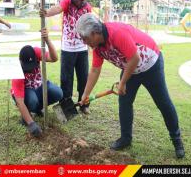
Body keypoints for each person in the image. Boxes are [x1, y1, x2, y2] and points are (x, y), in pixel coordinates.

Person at [76, 13, 185, 159]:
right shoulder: (97, 48)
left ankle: (177, 141)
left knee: (163, 103)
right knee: (125, 103)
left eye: (85, 38)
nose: (84, 42)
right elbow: (95, 70)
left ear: (95, 33)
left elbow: (135, 58)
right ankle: (125, 138)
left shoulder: (117, 33)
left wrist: (122, 83)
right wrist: (85, 94)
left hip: (150, 65)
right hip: (131, 69)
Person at [39, 0, 91, 114]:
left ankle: (83, 104)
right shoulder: (67, 1)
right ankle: (66, 107)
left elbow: (89, 25)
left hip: (82, 49)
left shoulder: (88, 8)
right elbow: (58, 8)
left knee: (84, 78)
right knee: (66, 79)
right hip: (67, 49)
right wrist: (47, 12)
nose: (79, 1)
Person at [11, 28, 63, 137]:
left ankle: (37, 109)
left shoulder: (36, 52)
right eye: (27, 67)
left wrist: (47, 40)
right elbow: (20, 101)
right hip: (27, 91)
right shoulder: (16, 71)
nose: (30, 69)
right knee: (32, 100)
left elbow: (54, 58)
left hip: (40, 85)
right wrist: (31, 124)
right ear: (21, 61)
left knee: (58, 93)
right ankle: (27, 115)